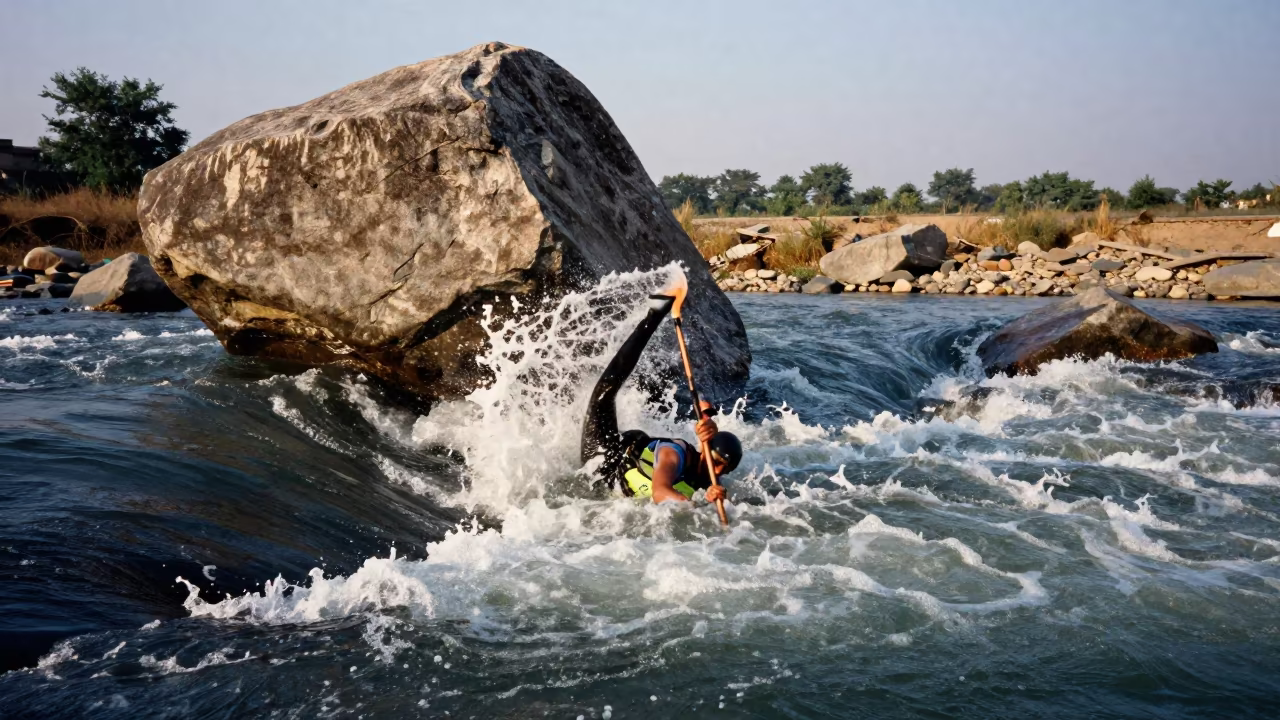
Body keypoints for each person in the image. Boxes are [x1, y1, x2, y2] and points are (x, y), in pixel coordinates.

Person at [580, 293, 743, 504]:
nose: (717, 470)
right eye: (716, 461)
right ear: (704, 448)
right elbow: (660, 493)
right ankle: (654, 315)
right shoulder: (673, 454)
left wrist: (709, 503)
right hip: (605, 462)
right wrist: (693, 505)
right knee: (605, 390)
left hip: (636, 453)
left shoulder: (711, 481)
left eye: (724, 469)